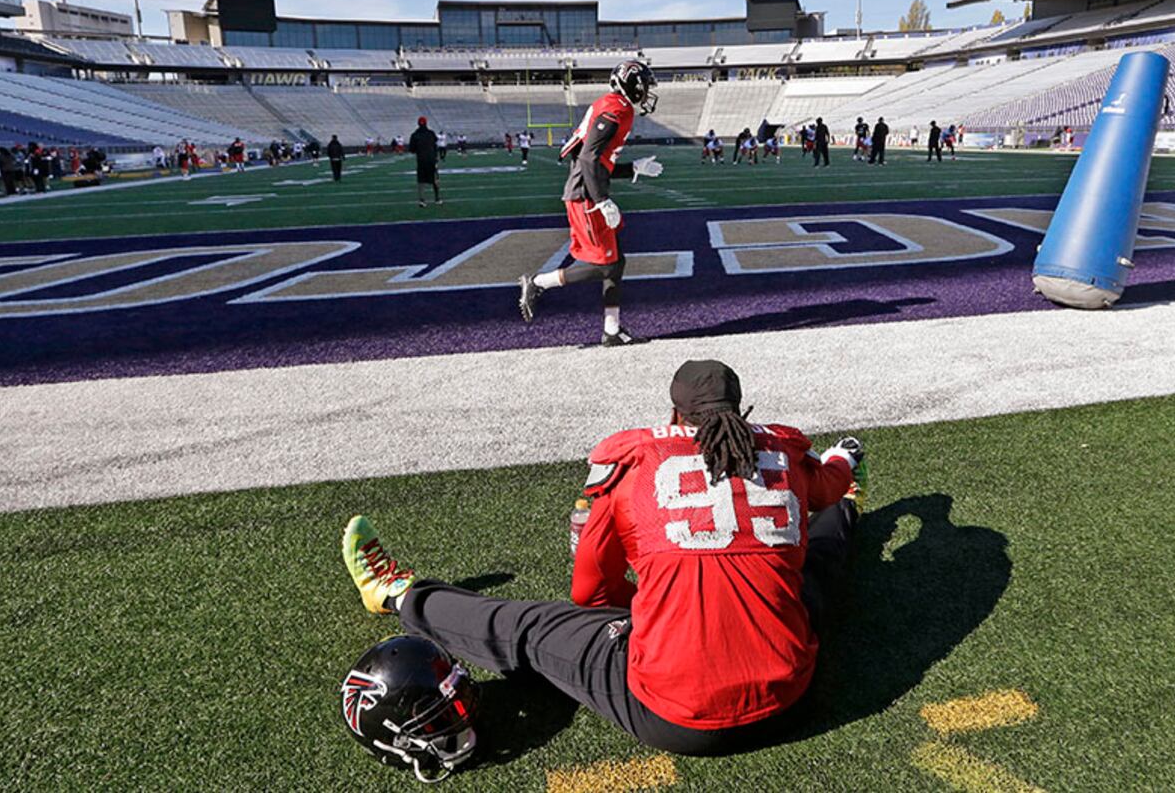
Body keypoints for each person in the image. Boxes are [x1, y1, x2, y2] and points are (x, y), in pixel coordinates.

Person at [338, 359, 863, 756]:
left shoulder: (633, 471)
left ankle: (395, 592)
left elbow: (591, 596)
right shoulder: (784, 455)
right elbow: (829, 483)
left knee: (529, 624)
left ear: (675, 415)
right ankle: (853, 515)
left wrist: (655, 608)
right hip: (791, 696)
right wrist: (842, 460)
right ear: (741, 409)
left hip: (676, 716)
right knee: (821, 553)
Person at [516, 59, 663, 347]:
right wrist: (603, 200)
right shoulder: (615, 108)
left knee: (616, 262)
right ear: (631, 85)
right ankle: (535, 283)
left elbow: (598, 161)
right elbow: (586, 159)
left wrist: (632, 168)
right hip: (585, 197)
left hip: (588, 192)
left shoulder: (614, 105)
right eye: (644, 86)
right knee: (605, 266)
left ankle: (612, 330)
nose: (647, 92)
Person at [409, 117, 442, 206]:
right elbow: (435, 144)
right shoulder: (431, 133)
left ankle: (422, 200)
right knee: (435, 178)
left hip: (421, 160)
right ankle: (437, 198)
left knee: (421, 180)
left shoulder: (415, 135)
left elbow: (411, 149)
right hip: (432, 159)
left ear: (418, 124)